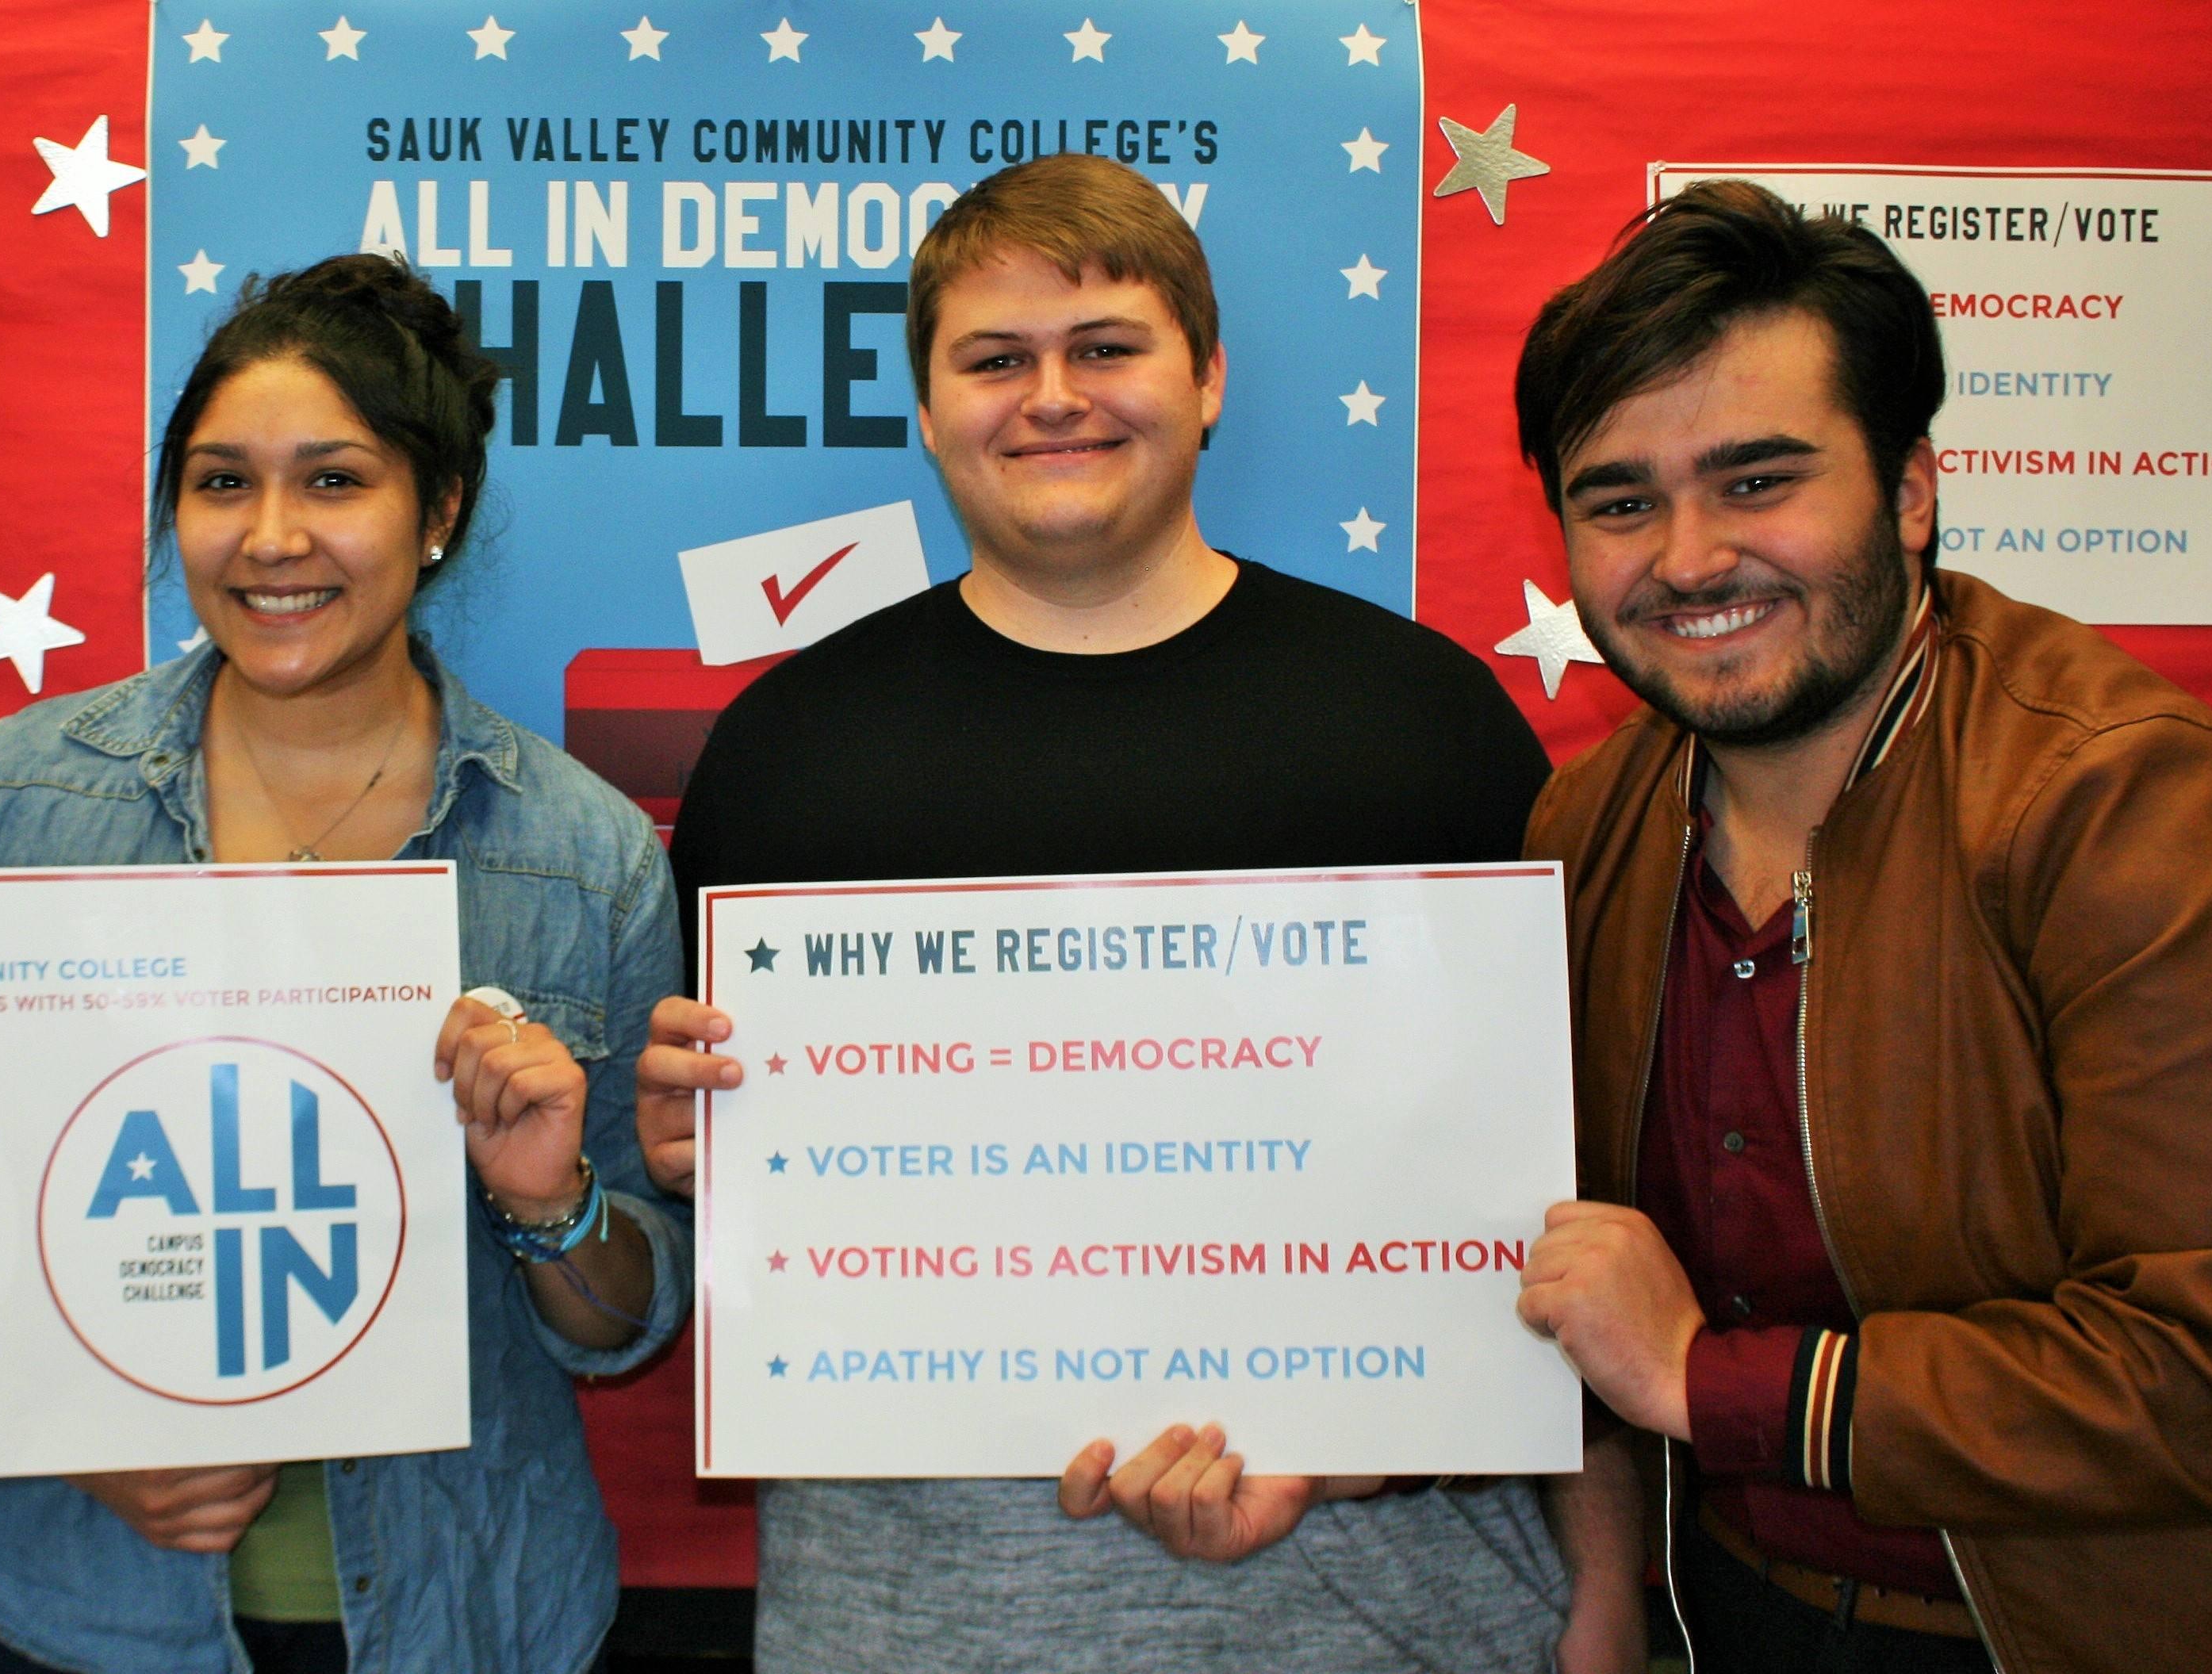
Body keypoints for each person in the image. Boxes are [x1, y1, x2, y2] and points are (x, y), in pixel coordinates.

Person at [634, 151, 1593, 1672]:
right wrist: (706, 1149)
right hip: (915, 1623)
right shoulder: (784, 753)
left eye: (1105, 348)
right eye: (995, 359)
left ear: (1207, 377)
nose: (1052, 396)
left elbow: (1569, 1192)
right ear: (928, 401)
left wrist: (1602, 1600)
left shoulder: (1426, 720)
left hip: (1389, 1614)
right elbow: (728, 1198)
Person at [0, 254, 689, 1674]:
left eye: (333, 481)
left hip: (461, 1611)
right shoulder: (17, 802)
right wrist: (59, 1429)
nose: (270, 538)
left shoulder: (582, 854)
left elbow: (621, 1328)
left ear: (436, 510)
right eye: (218, 483)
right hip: (79, 1606)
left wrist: (550, 1202)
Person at [1511, 180, 2212, 1673]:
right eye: (1620, 500)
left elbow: (2203, 1366)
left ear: (1907, 490)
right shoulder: (1582, 830)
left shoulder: (2118, 804)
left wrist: (1721, 1386)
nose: (1691, 558)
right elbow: (1559, 1292)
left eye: (1758, 480)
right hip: (1722, 1619)